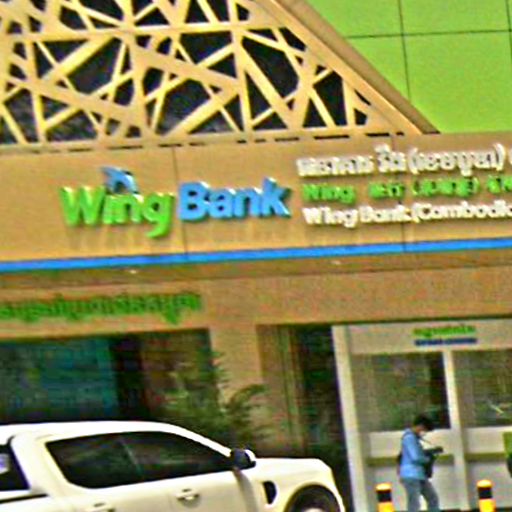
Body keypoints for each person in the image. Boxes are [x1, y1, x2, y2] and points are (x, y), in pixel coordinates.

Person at [399, 414, 441, 512]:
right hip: (411, 475)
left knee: (432, 498)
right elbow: (415, 457)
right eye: (425, 430)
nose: (424, 432)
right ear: (420, 426)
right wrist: (428, 458)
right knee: (414, 503)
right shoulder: (409, 438)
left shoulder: (414, 438)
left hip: (419, 474)